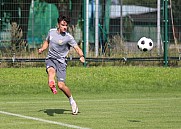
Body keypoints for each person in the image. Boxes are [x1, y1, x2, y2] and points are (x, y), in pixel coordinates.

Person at [38, 15, 85, 115]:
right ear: (58, 25)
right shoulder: (51, 32)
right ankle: (51, 83)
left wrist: (81, 55)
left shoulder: (68, 37)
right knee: (51, 71)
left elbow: (77, 47)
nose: (65, 27)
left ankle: (72, 101)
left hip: (61, 63)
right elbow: (47, 42)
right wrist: (42, 49)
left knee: (61, 85)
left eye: (66, 25)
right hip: (51, 59)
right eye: (63, 25)